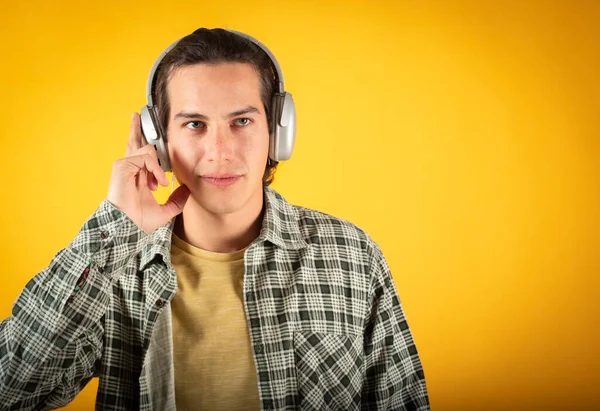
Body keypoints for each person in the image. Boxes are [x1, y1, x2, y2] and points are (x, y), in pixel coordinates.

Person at [0, 28, 430, 410]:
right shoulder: (112, 269)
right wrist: (114, 228)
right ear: (160, 141)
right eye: (194, 124)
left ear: (279, 132)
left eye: (241, 120)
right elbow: (11, 389)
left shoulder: (351, 255)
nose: (220, 151)